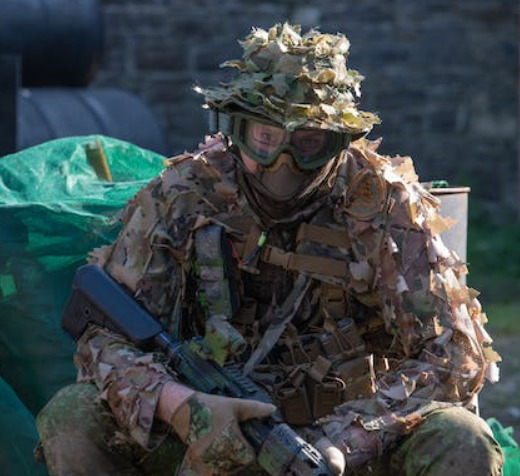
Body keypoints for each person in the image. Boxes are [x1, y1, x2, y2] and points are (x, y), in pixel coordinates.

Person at [36, 23, 504, 476]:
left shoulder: (382, 204)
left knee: (460, 439)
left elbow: (454, 356)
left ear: (338, 141)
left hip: (345, 444)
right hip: (207, 431)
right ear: (236, 128)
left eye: (307, 143)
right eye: (265, 138)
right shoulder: (184, 194)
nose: (282, 162)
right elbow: (104, 338)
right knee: (73, 417)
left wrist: (345, 440)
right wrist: (182, 406)